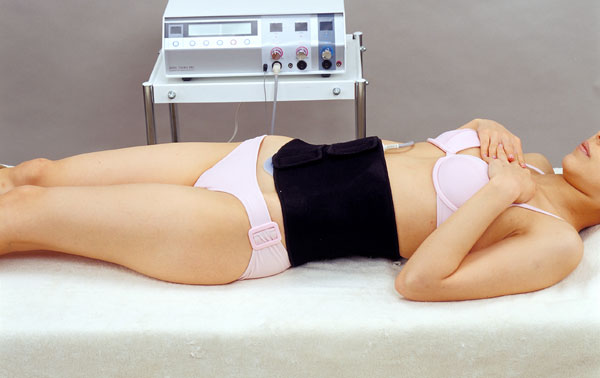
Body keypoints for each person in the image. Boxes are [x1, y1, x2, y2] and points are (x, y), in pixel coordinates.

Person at [0, 118, 596, 301]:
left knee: (24, 209)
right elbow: (415, 159)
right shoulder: (531, 160)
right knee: (33, 174)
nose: (596, 136)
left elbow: (420, 282)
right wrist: (478, 124)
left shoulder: (555, 242)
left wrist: (497, 192)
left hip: (245, 225)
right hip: (264, 155)